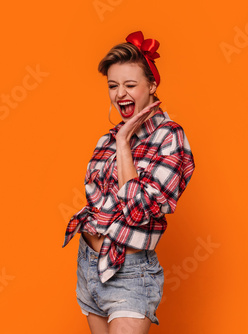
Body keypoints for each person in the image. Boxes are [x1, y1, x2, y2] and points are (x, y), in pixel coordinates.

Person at [61, 31, 195, 334]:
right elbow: (96, 200)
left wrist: (124, 143)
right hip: (89, 267)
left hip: (131, 274)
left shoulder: (169, 137)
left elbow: (139, 210)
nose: (120, 93)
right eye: (113, 85)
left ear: (152, 86)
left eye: (130, 85)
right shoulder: (105, 140)